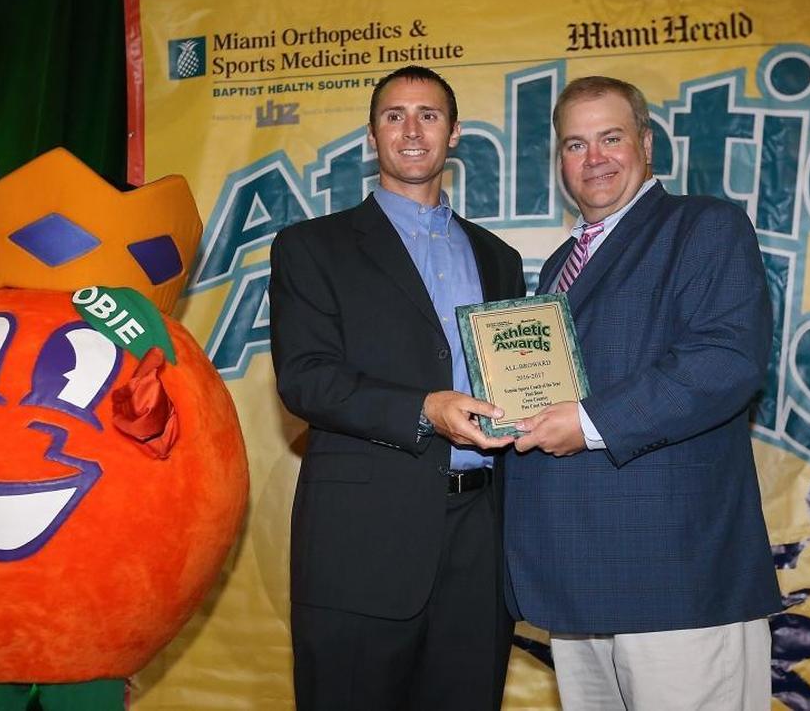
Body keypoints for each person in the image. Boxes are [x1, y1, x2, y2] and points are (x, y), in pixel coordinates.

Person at [504, 76, 781, 710]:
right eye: (575, 145)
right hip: (580, 581)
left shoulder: (704, 225)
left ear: (647, 144)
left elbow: (726, 361)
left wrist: (587, 423)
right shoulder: (561, 265)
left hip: (676, 575)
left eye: (611, 138)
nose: (593, 158)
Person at [269, 65, 525, 710]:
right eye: (394, 116)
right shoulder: (311, 246)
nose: (412, 131)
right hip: (363, 537)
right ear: (372, 136)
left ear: (455, 133)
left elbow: (518, 377)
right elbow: (306, 378)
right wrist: (425, 409)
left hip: (482, 538)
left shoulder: (499, 258)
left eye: (428, 116)